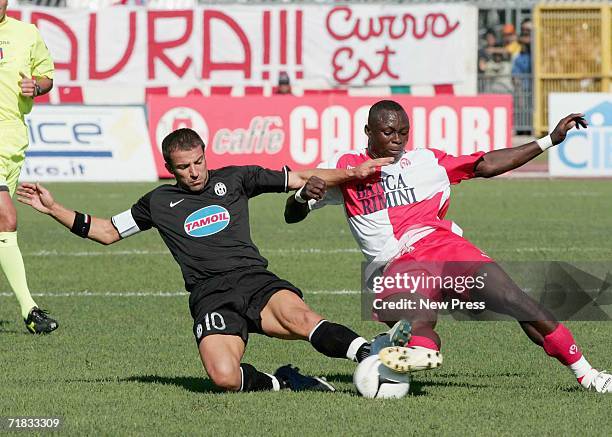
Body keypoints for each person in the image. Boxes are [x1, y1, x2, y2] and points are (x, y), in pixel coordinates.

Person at [17, 128, 404, 393]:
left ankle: (374, 353)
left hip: (254, 279)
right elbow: (106, 231)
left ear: (205, 155)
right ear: (170, 168)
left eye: (198, 161)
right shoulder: (158, 203)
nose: (194, 171)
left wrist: (352, 172)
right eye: (184, 167)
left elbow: (300, 176)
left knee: (303, 319)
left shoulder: (236, 178)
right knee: (223, 377)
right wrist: (52, 208)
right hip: (209, 295)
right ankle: (283, 381)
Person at [284, 99, 612, 393]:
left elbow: (486, 164)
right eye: (388, 132)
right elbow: (292, 215)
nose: (397, 139)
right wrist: (301, 196)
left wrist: (549, 140)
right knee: (420, 325)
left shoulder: (427, 161)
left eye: (403, 132)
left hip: (445, 248)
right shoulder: (346, 166)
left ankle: (588, 375)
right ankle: (411, 349)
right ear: (368, 131)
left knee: (515, 300)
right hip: (399, 266)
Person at [0, 0, 58, 333]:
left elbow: (47, 77)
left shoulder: (26, 33)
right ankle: (30, 310)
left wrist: (35, 86)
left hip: (13, 141)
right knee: (6, 217)